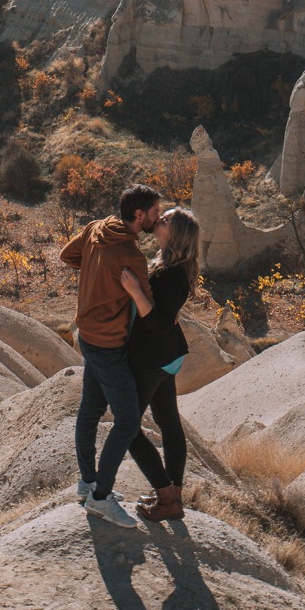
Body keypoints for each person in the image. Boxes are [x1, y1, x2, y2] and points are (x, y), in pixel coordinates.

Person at [60, 184, 160, 527]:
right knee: (129, 421)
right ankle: (100, 498)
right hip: (108, 344)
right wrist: (124, 289)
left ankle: (87, 483)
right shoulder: (132, 256)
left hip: (87, 335)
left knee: (89, 412)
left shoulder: (94, 229)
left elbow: (66, 256)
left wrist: (95, 276)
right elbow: (147, 310)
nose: (157, 218)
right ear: (139, 215)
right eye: (154, 213)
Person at [119, 206, 200, 522]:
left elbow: (159, 324)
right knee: (168, 423)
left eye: (165, 220)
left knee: (127, 427)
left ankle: (167, 497)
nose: (159, 221)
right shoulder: (169, 266)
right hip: (165, 356)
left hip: (153, 357)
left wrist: (135, 292)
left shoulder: (173, 274)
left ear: (176, 233)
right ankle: (173, 494)